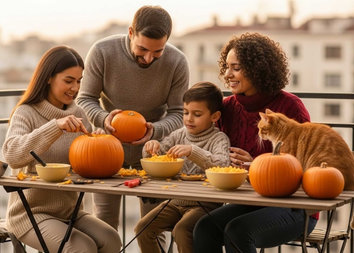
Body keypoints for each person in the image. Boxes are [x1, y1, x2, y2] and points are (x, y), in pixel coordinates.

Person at [193, 32, 318, 253]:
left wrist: (257, 166)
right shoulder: (227, 107)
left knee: (238, 231)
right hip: (249, 200)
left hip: (295, 207)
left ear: (257, 69)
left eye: (236, 68)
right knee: (204, 227)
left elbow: (307, 168)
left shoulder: (290, 108)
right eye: (227, 67)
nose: (227, 74)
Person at [76, 5, 190, 232]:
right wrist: (104, 118)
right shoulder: (102, 51)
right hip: (105, 152)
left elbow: (179, 112)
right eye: (142, 49)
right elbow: (85, 98)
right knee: (105, 223)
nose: (148, 58)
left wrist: (155, 130)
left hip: (154, 153)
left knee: (152, 227)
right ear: (131, 33)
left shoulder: (178, 62)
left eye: (157, 51)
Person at [2, 46, 121, 253]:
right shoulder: (26, 113)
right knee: (82, 248)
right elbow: (12, 155)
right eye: (68, 81)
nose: (75, 88)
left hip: (70, 211)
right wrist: (55, 127)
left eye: (78, 81)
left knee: (111, 239)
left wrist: (99, 142)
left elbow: (87, 159)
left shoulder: (80, 114)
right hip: (30, 214)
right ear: (48, 78)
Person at [134, 82, 231, 253]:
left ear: (214, 116)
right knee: (143, 228)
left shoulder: (219, 139)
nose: (189, 119)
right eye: (186, 112)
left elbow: (222, 164)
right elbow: (159, 155)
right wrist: (151, 147)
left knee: (182, 231)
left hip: (205, 205)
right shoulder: (178, 134)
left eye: (197, 114)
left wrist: (193, 151)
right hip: (174, 202)